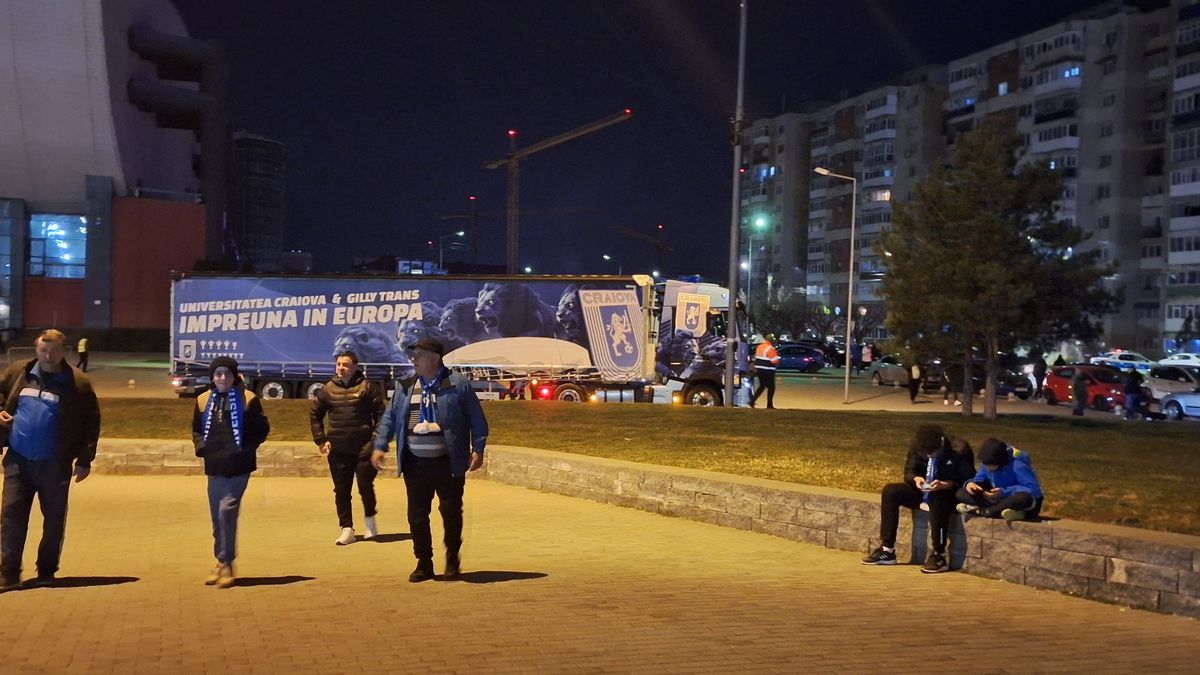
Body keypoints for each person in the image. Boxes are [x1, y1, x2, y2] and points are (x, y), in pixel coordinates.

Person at [372, 337, 488, 582]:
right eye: (413, 354)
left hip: (448, 462)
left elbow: (477, 419)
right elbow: (390, 418)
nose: (413, 358)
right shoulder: (405, 386)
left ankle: (452, 559)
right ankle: (423, 563)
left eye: (419, 355)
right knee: (416, 515)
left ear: (435, 359)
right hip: (415, 463)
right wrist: (380, 446)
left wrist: (478, 448)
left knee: (451, 512)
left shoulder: (457, 384)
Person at [0, 330, 100, 591]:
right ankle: (9, 573)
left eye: (54, 350)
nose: (47, 355)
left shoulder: (77, 383)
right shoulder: (18, 373)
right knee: (11, 518)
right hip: (18, 462)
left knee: (53, 520)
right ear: (36, 349)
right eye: (43, 350)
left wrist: (85, 459)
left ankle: (46, 570)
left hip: (55, 464)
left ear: (63, 351)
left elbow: (91, 422)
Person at [192, 357, 270, 589]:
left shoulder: (248, 399)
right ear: (212, 377)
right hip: (215, 466)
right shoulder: (203, 400)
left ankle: (227, 564)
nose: (222, 378)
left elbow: (262, 429)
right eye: (218, 374)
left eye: (227, 374)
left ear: (235, 376)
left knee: (226, 511)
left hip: (238, 466)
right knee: (216, 517)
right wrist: (202, 447)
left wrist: (244, 449)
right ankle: (220, 560)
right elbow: (196, 429)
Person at [861, 424, 975, 574]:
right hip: (923, 490)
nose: (929, 456)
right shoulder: (918, 446)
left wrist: (946, 484)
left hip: (948, 493)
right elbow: (909, 471)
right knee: (890, 491)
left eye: (933, 452)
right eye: (926, 453)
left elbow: (968, 480)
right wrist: (916, 479)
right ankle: (887, 549)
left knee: (937, 498)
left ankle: (939, 554)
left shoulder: (959, 448)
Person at [310, 351, 386, 546]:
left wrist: (376, 441)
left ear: (354, 367)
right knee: (341, 490)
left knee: (365, 485)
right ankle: (347, 528)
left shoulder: (367, 387)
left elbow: (381, 415)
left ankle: (370, 519)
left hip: (364, 448)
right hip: (338, 449)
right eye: (338, 364)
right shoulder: (327, 389)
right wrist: (321, 440)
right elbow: (315, 415)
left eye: (345, 364)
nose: (341, 368)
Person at [956, 438, 1044, 521]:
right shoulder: (986, 463)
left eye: (991, 466)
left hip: (1015, 498)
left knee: (1022, 498)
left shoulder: (1017, 465)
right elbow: (979, 479)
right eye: (985, 465)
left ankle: (987, 511)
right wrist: (970, 485)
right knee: (960, 493)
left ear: (1001, 462)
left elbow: (1034, 490)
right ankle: (998, 510)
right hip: (997, 499)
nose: (988, 468)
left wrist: (1004, 492)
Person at [750, 334, 780, 409]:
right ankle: (769, 405)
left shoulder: (759, 347)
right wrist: (777, 358)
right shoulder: (770, 348)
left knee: (762, 386)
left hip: (759, 369)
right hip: (768, 369)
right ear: (771, 341)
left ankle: (752, 401)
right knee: (771, 387)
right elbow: (774, 361)